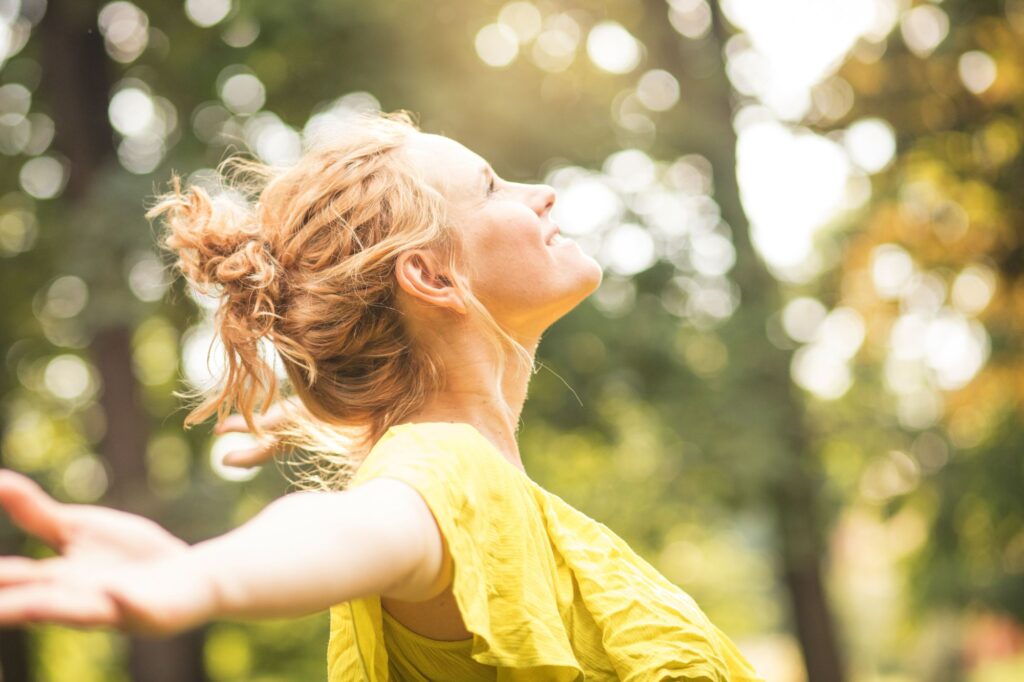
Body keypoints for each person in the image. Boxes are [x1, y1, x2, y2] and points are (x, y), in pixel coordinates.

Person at [0, 111, 764, 681]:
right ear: (431, 276)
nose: (543, 193)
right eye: (491, 186)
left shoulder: (477, 486)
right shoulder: (445, 469)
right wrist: (204, 574)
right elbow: (354, 526)